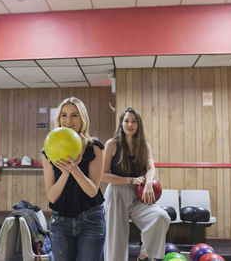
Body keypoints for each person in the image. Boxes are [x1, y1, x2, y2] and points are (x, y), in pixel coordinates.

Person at [42, 97, 106, 261]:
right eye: (64, 115)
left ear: (82, 118)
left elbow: (92, 191)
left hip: (91, 219)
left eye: (74, 115)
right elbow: (52, 196)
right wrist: (65, 173)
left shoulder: (95, 147)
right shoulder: (48, 150)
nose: (68, 120)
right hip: (60, 219)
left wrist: (74, 169)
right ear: (59, 118)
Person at [102, 107, 170, 261]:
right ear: (121, 123)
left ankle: (143, 256)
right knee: (116, 241)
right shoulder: (112, 144)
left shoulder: (144, 146)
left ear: (138, 124)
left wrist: (147, 185)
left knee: (160, 217)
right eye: (126, 121)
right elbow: (103, 175)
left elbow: (151, 167)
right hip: (116, 193)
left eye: (134, 121)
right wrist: (130, 180)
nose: (130, 124)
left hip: (138, 194)